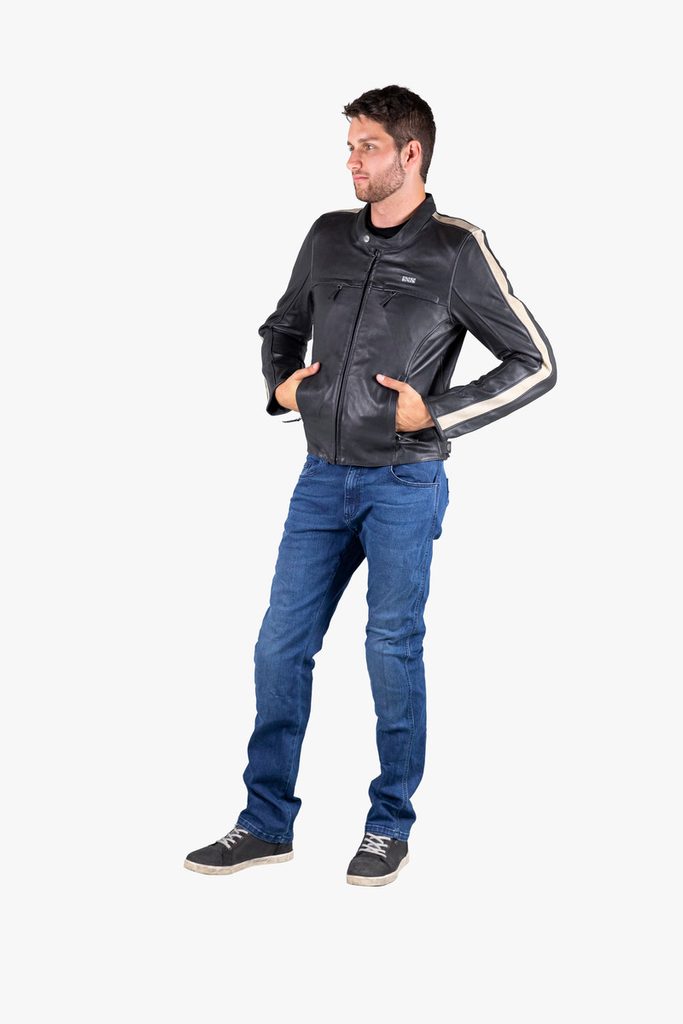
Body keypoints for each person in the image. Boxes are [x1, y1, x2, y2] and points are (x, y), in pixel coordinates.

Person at [185, 85, 557, 886]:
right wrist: (282, 385)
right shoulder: (327, 235)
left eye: (367, 146)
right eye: (350, 145)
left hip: (403, 483)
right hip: (320, 479)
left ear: (410, 153)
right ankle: (265, 823)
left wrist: (437, 412)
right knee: (279, 647)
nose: (351, 159)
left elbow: (535, 363)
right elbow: (282, 325)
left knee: (390, 649)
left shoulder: (456, 249)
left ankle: (388, 826)